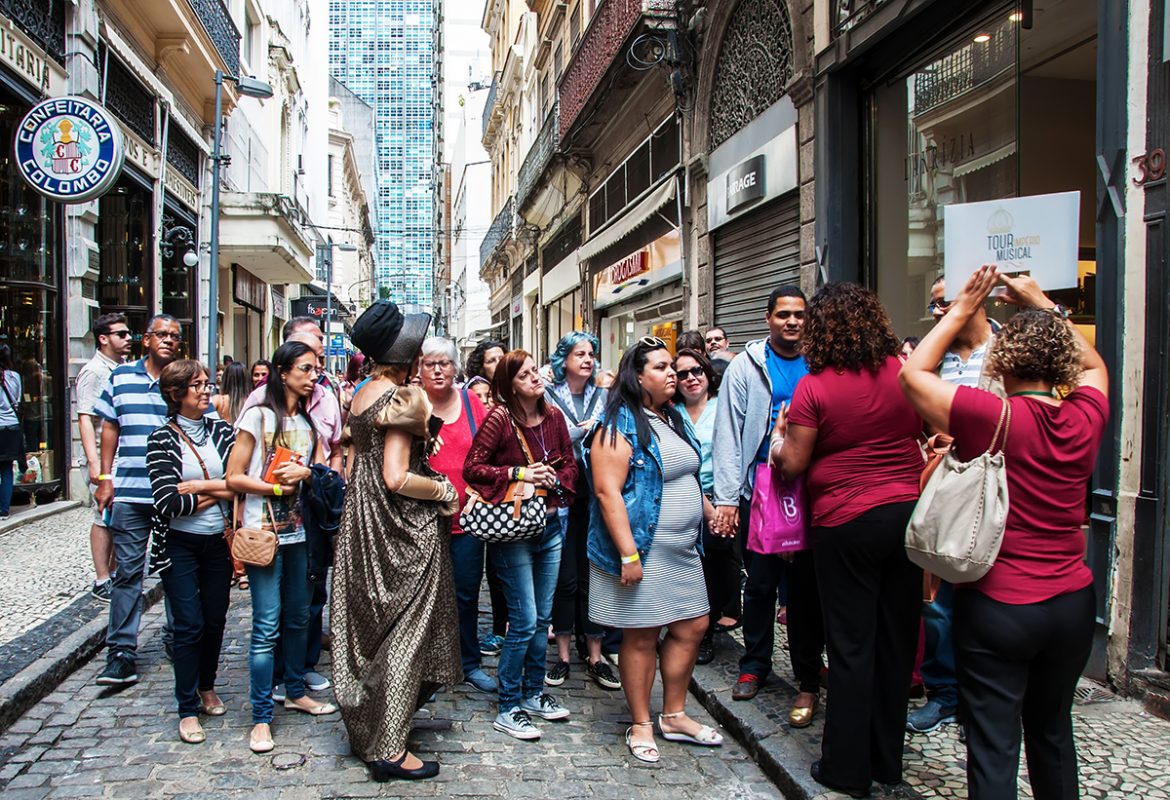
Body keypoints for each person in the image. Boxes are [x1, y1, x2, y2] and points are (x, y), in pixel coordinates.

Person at [900, 267, 1108, 800]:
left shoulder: (987, 415)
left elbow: (914, 373)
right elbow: (1094, 365)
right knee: (1053, 732)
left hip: (1000, 604)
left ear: (999, 362)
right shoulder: (1085, 415)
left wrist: (961, 309)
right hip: (1072, 603)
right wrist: (1043, 304)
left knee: (993, 743)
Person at [772, 282, 924, 796]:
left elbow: (794, 463)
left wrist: (778, 441)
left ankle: (846, 768)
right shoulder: (904, 372)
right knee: (896, 642)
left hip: (845, 521)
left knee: (851, 645)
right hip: (905, 515)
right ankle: (886, 761)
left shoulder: (814, 387)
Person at [329, 301, 460, 781]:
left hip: (363, 518)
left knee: (375, 629)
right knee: (407, 629)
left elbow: (360, 455)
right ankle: (390, 750)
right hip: (399, 523)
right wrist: (444, 490)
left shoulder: (363, 392)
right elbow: (397, 476)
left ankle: (378, 726)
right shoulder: (404, 397)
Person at [586, 336, 723, 764]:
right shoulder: (618, 423)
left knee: (693, 625)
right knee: (642, 634)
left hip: (683, 551)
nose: (673, 374)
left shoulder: (673, 417)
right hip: (646, 550)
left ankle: (675, 715)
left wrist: (708, 510)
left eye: (672, 367)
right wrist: (628, 554)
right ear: (638, 376)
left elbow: (684, 475)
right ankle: (642, 722)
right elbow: (607, 492)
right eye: (661, 368)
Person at [714, 287, 825, 736]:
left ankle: (808, 676)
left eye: (799, 314)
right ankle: (755, 664)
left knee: (805, 590)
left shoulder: (820, 361)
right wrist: (727, 497)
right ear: (768, 318)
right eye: (783, 314)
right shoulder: (747, 365)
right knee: (760, 585)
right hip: (760, 491)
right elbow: (728, 432)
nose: (792, 321)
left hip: (811, 491)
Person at [226, 341, 338, 754]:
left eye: (315, 369)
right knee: (266, 626)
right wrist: (274, 487)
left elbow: (319, 472)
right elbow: (233, 477)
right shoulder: (257, 415)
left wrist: (306, 474)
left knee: (298, 618)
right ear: (283, 371)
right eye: (305, 369)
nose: (313, 376)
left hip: (302, 534)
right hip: (265, 534)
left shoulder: (307, 422)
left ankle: (294, 691)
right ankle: (260, 716)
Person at [906, 275, 1002, 737]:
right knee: (939, 602)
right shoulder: (934, 358)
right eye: (935, 305)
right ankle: (944, 694)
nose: (939, 312)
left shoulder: (1007, 350)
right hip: (945, 485)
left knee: (989, 602)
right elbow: (916, 411)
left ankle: (980, 701)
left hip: (994, 488)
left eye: (945, 302)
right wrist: (931, 440)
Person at [464, 350, 577, 741]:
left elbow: (570, 465)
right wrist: (520, 473)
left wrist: (554, 478)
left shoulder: (554, 417)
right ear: (510, 384)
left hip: (549, 527)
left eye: (534, 371)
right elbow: (473, 468)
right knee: (525, 619)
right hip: (512, 532)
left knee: (542, 619)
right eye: (525, 374)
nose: (535, 377)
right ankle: (508, 704)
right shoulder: (499, 418)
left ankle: (533, 692)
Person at [92, 315, 186, 686]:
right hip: (131, 491)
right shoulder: (121, 377)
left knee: (175, 570)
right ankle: (121, 652)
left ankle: (178, 637)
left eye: (174, 336)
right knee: (128, 573)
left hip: (173, 494)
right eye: (161, 334)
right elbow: (109, 427)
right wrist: (105, 478)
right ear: (146, 340)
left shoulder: (184, 378)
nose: (168, 340)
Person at [146, 360, 236, 745]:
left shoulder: (222, 430)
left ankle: (207, 686)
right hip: (179, 544)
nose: (205, 390)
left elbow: (240, 483)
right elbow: (168, 503)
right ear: (176, 392)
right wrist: (220, 489)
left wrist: (199, 487)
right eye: (197, 385)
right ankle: (186, 707)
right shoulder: (160, 439)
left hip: (218, 540)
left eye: (206, 383)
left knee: (215, 619)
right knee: (188, 625)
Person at [417, 336, 495, 693]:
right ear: (419, 369)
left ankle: (468, 661)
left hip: (467, 519)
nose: (437, 370)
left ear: (455, 368)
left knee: (465, 593)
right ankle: (427, 666)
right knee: (424, 597)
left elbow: (491, 450)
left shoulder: (470, 402)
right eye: (430, 363)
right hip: (421, 520)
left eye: (444, 363)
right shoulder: (413, 404)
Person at [544, 332, 621, 691]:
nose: (588, 359)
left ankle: (595, 654)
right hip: (561, 496)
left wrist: (587, 432)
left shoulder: (604, 396)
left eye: (591, 353)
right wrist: (582, 432)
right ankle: (561, 655)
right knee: (565, 578)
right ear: (564, 359)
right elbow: (549, 441)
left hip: (595, 495)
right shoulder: (548, 395)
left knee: (593, 578)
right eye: (580, 354)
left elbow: (614, 437)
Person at [672, 348, 732, 666]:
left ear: (708, 373)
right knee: (688, 569)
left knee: (716, 568)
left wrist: (727, 502)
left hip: (721, 499)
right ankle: (688, 628)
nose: (691, 378)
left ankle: (708, 629)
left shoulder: (724, 407)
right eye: (682, 374)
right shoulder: (672, 414)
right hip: (683, 499)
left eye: (696, 371)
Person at [74, 314, 132, 598]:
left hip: (120, 454)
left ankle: (113, 572)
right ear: (103, 338)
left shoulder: (121, 368)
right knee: (103, 515)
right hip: (102, 456)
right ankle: (101, 579)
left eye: (128, 333)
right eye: (121, 334)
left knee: (118, 516)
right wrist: (95, 462)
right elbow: (85, 417)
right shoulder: (94, 371)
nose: (128, 338)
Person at [463, 337, 509, 651]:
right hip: (476, 493)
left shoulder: (511, 397)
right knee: (478, 569)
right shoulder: (469, 398)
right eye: (492, 360)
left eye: (501, 358)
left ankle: (505, 626)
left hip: (506, 492)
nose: (498, 364)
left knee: (502, 565)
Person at [0, 344, 23, 520]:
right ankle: (4, 509)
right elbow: (17, 400)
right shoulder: (15, 377)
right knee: (7, 469)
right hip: (12, 425)